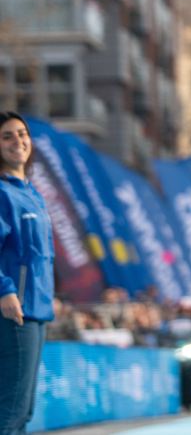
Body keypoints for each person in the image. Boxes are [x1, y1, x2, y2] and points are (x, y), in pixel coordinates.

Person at [0, 112, 54, 435]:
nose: (17, 141)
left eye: (22, 134)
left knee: (24, 410)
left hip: (37, 311)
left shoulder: (32, 194)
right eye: (7, 136)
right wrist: (4, 289)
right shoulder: (3, 193)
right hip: (14, 311)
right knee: (11, 410)